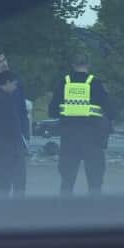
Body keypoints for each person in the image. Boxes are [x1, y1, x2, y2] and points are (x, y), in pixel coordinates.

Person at [49, 53, 113, 196]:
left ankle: (65, 210)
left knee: (67, 180)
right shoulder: (96, 83)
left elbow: (52, 111)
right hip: (92, 137)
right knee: (95, 181)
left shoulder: (63, 83)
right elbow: (110, 110)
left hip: (69, 137)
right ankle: (93, 210)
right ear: (88, 65)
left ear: (73, 66)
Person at [0, 70, 27, 197]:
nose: (15, 87)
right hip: (7, 149)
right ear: (7, 83)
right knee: (8, 181)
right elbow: (12, 126)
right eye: (14, 84)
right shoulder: (6, 101)